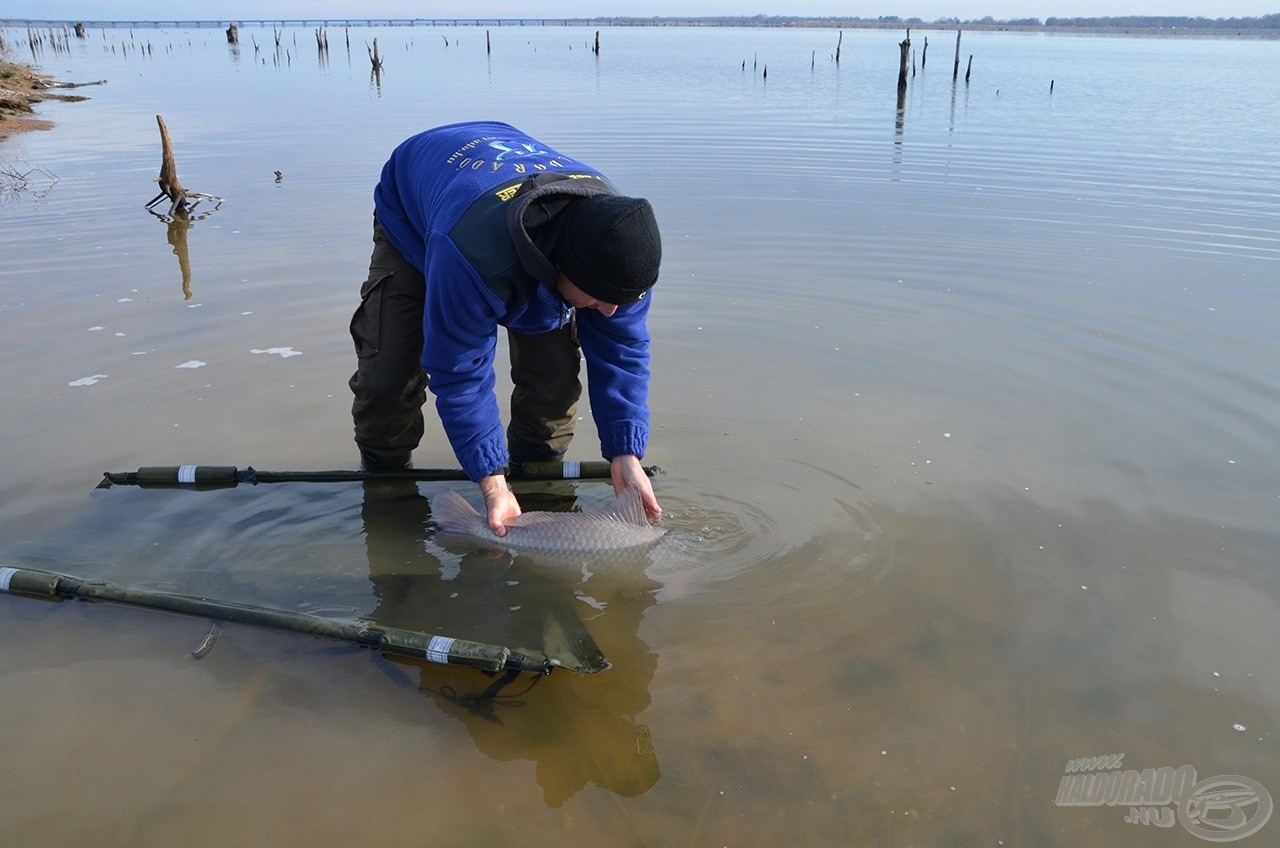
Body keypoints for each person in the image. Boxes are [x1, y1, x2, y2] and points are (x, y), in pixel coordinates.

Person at [348, 121, 663, 535]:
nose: (610, 311)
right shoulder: (472, 253)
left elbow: (623, 351)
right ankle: (389, 498)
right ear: (560, 266)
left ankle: (539, 488)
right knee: (388, 381)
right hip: (417, 216)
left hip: (508, 200)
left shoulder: (621, 249)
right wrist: (491, 482)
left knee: (553, 382)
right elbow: (460, 373)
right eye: (599, 298)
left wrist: (626, 454)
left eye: (621, 300)